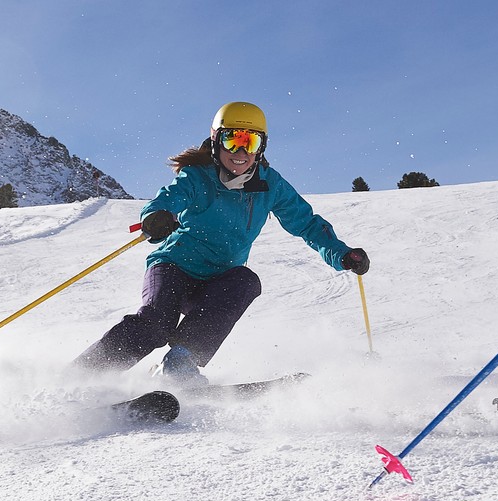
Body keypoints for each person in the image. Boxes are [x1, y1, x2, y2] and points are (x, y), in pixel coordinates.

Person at [74, 101, 369, 386]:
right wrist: (156, 216)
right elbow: (168, 198)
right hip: (174, 267)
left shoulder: (270, 185)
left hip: (217, 281)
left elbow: (305, 222)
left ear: (261, 147)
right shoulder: (197, 176)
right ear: (216, 141)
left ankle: (179, 363)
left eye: (250, 142)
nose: (240, 151)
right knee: (156, 323)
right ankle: (84, 375)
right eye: (233, 140)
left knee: (245, 280)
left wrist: (341, 254)